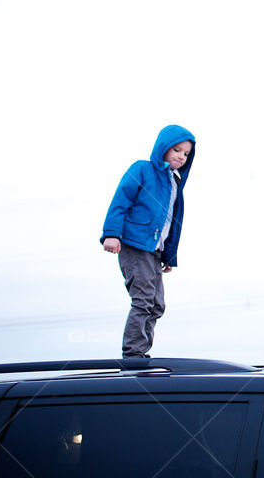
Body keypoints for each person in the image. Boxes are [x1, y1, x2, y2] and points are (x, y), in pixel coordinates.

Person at [100, 124, 196, 358]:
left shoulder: (174, 182)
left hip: (154, 251)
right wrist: (112, 233)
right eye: (176, 150)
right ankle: (133, 354)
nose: (181, 157)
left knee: (156, 304)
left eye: (186, 154)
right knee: (143, 299)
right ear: (163, 147)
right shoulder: (143, 169)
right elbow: (121, 199)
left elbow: (172, 223)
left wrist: (168, 256)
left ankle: (142, 354)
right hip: (134, 244)